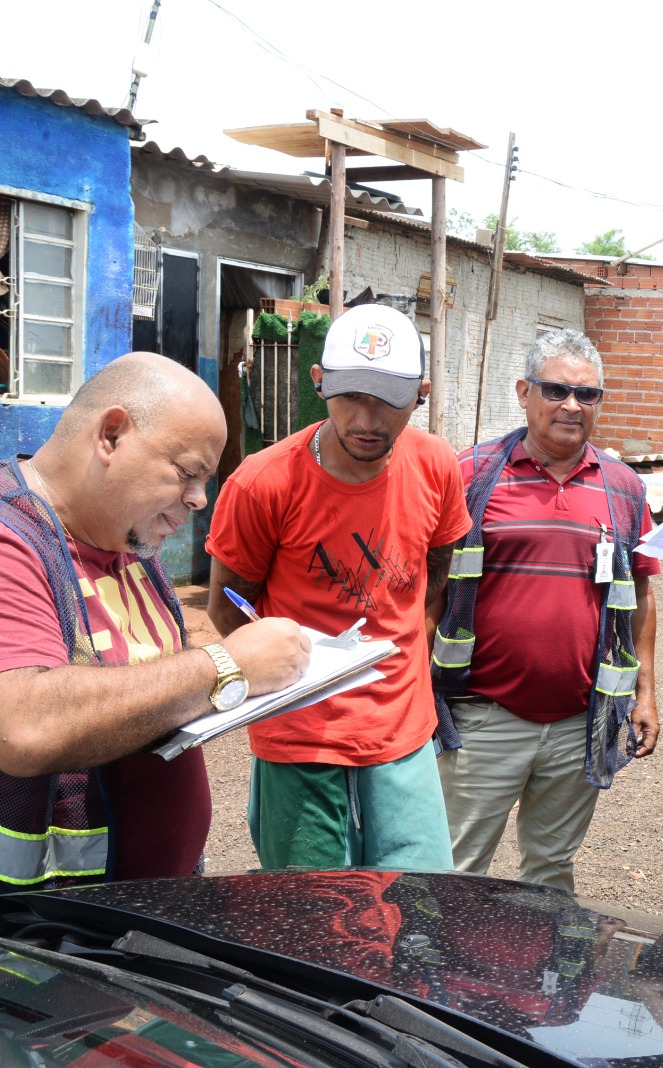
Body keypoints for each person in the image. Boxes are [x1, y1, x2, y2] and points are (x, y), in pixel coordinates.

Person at [0, 353, 311, 897]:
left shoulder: (124, 540)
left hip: (124, 915)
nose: (200, 500)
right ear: (110, 434)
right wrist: (225, 667)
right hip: (11, 936)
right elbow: (24, 728)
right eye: (187, 473)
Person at [206, 304, 470, 871]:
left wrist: (407, 652)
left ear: (420, 394)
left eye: (387, 400)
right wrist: (289, 674)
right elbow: (229, 611)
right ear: (319, 383)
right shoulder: (263, 483)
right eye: (350, 396)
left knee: (419, 907)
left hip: (404, 732)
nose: (366, 420)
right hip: (300, 734)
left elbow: (440, 566)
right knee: (310, 920)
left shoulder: (437, 466)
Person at [432, 329, 659, 891]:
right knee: (456, 871)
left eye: (588, 395)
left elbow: (644, 593)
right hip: (482, 719)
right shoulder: (471, 475)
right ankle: (438, 980)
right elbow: (429, 588)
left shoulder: (622, 487)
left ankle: (547, 981)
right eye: (556, 390)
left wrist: (646, 693)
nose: (572, 406)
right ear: (523, 392)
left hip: (580, 722)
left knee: (551, 871)